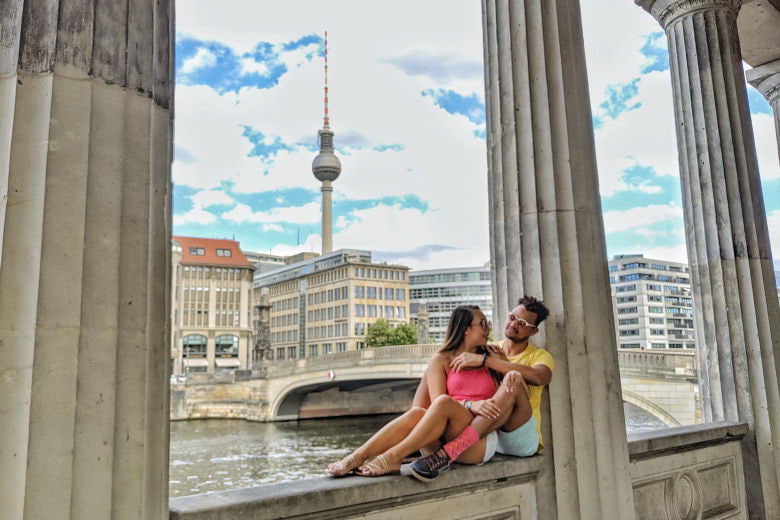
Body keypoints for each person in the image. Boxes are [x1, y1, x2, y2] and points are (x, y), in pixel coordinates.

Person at [326, 305, 504, 477]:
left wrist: (493, 361)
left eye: (487, 323)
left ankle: (393, 456)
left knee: (442, 403)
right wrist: (472, 404)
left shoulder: (490, 357)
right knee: (419, 412)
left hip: (477, 441)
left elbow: (506, 397)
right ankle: (356, 457)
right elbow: (436, 408)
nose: (488, 328)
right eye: (482, 324)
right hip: (443, 442)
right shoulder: (441, 359)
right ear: (465, 329)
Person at [408, 295, 553, 481]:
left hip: (516, 432)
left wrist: (488, 361)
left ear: (533, 331)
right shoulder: (490, 348)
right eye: (513, 317)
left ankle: (447, 452)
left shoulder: (538, 355)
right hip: (488, 433)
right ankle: (410, 445)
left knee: (513, 379)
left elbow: (540, 377)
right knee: (431, 372)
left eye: (522, 323)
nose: (514, 324)